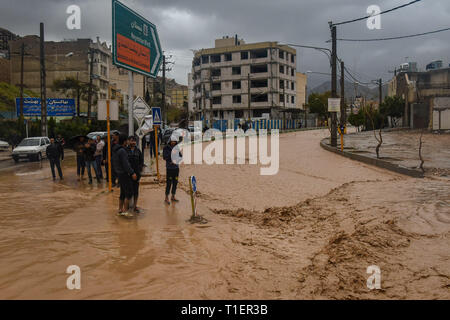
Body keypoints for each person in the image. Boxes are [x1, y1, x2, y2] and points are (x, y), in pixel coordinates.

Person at [113, 134, 137, 217]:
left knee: (122, 192)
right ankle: (125, 211)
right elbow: (126, 164)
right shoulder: (122, 151)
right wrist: (132, 172)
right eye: (127, 141)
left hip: (119, 173)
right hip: (124, 174)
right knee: (129, 193)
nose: (127, 142)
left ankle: (120, 209)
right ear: (124, 142)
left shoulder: (115, 149)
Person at [163, 135, 182, 205]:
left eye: (174, 141)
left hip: (176, 168)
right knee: (169, 183)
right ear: (170, 141)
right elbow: (164, 157)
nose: (173, 142)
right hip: (169, 168)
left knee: (175, 182)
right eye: (172, 141)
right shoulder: (166, 148)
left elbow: (181, 156)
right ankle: (166, 197)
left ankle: (173, 196)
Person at [127, 136, 144, 213]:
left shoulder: (138, 151)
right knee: (128, 190)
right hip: (128, 174)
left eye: (134, 141)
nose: (133, 142)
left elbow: (141, 162)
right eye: (131, 141)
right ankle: (127, 206)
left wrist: (139, 171)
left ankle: (135, 206)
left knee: (136, 191)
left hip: (137, 174)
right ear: (128, 141)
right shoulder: (125, 150)